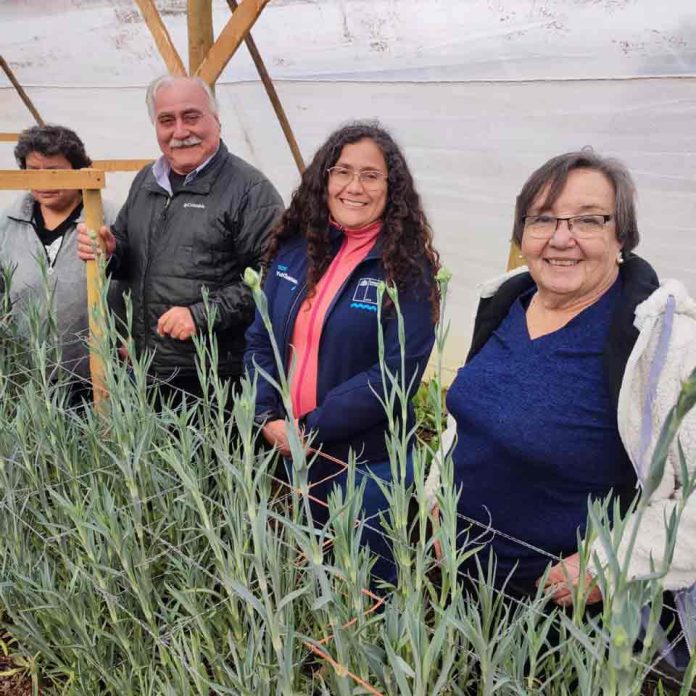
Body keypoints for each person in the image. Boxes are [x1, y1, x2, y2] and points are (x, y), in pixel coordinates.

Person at [444, 150, 696, 666]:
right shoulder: (503, 303)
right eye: (543, 219)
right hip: (461, 590)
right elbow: (463, 422)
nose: (562, 238)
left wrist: (613, 565)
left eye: (588, 219)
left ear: (620, 236)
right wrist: (437, 496)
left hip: (573, 628)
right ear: (523, 235)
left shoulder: (663, 343)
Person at [244, 122, 440, 583]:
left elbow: (397, 372)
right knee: (308, 578)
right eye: (343, 171)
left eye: (371, 175)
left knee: (365, 591)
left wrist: (310, 430)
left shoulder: (407, 268)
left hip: (367, 465)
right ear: (323, 179)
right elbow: (260, 339)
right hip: (288, 449)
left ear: (392, 189)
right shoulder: (294, 251)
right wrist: (266, 414)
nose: (355, 186)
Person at [77, 75, 283, 400]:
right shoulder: (148, 180)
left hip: (212, 375)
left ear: (215, 120)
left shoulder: (249, 190)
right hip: (143, 367)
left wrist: (200, 315)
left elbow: (272, 279)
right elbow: (131, 254)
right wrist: (111, 253)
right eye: (166, 121)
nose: (180, 132)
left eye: (191, 117)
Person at [0, 124, 122, 399]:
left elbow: (135, 285)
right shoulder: (6, 224)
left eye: (54, 171)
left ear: (77, 169)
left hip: (98, 377)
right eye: (34, 171)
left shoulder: (110, 219)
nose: (44, 182)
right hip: (28, 380)